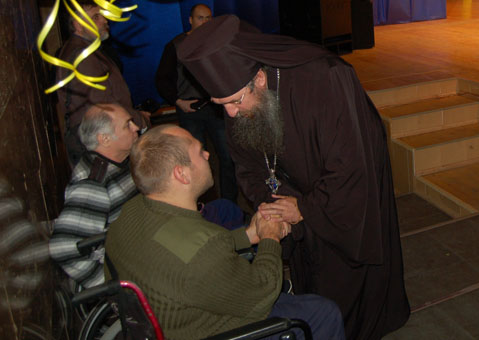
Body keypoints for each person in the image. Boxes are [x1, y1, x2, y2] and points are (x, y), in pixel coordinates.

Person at [176, 14, 409, 340]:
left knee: (347, 286)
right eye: (219, 105)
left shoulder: (326, 78)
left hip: (341, 201)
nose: (230, 114)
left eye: (233, 102)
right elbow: (247, 165)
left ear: (259, 79)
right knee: (310, 278)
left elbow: (351, 165)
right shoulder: (237, 97)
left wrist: (305, 208)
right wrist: (274, 204)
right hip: (291, 198)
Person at [105, 125, 345, 340]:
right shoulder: (203, 251)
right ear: (181, 174)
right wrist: (270, 237)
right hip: (210, 328)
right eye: (200, 151)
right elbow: (262, 295)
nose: (208, 155)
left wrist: (248, 235)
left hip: (156, 319)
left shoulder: (134, 210)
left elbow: (184, 252)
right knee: (323, 312)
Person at [49, 103, 140, 288]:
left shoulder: (121, 162)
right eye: (127, 125)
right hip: (130, 274)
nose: (136, 127)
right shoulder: (92, 184)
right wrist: (111, 284)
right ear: (105, 139)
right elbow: (63, 249)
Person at [155, 3, 237, 202]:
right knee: (196, 162)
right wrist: (177, 101)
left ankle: (230, 206)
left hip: (216, 108)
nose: (205, 22)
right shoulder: (176, 45)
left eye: (208, 18)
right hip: (190, 110)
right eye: (201, 18)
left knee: (228, 157)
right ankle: (204, 207)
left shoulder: (217, 43)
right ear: (190, 20)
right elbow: (162, 79)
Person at [56, 0, 149, 164]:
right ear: (78, 25)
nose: (105, 21)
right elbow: (102, 105)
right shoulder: (82, 56)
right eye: (96, 17)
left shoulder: (86, 50)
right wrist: (139, 119)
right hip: (99, 145)